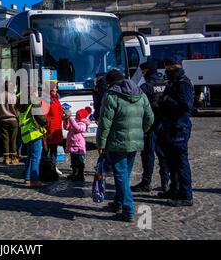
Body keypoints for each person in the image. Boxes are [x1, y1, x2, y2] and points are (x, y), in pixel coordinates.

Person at [96, 69, 154, 223]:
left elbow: (104, 123)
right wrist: (141, 131)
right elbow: (150, 117)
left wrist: (101, 143)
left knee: (121, 175)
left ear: (110, 83)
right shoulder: (140, 93)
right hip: (135, 142)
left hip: (117, 143)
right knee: (124, 175)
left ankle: (128, 209)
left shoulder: (111, 96)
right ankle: (118, 203)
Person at [158, 55, 195, 207]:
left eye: (168, 67)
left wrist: (167, 101)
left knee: (180, 163)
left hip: (179, 127)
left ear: (176, 67)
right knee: (171, 161)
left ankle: (186, 195)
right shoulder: (174, 81)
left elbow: (186, 105)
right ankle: (175, 190)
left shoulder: (182, 82)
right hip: (171, 127)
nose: (166, 70)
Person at [131, 59, 170, 193]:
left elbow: (138, 107)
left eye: (143, 71)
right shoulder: (167, 83)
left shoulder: (146, 87)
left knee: (148, 154)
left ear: (147, 71)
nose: (142, 74)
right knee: (163, 155)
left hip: (150, 126)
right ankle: (165, 183)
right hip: (165, 125)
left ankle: (146, 182)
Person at [19, 93, 47, 188]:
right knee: (35, 158)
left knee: (30, 156)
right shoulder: (33, 103)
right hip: (34, 133)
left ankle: (27, 178)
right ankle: (34, 180)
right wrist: (45, 122)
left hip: (26, 134)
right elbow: (41, 118)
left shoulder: (22, 104)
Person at [64, 108, 91, 182]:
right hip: (72, 145)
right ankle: (74, 173)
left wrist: (72, 121)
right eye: (76, 115)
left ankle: (80, 175)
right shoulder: (75, 122)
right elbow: (67, 127)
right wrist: (66, 120)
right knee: (73, 161)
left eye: (78, 115)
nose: (76, 116)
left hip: (79, 147)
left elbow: (78, 128)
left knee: (80, 162)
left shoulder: (83, 124)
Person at [0, 81, 19, 165]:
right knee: (13, 140)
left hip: (3, 120)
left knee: (5, 139)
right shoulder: (14, 96)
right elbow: (17, 109)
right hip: (13, 120)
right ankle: (14, 158)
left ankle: (6, 158)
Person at [44, 82, 64, 176]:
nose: (56, 89)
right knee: (46, 150)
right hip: (49, 129)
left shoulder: (56, 98)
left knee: (54, 150)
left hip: (56, 128)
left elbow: (58, 111)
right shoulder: (46, 99)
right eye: (55, 88)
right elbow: (44, 115)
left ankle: (53, 167)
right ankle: (45, 168)